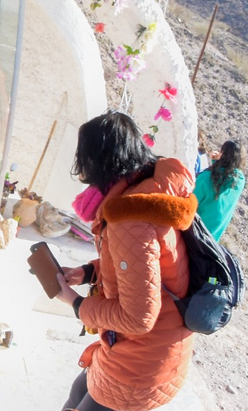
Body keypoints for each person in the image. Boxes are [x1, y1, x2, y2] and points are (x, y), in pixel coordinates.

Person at [55, 112, 197, 411]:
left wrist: (76, 304)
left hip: (141, 366)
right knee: (78, 390)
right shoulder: (149, 191)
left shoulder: (130, 219)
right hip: (153, 349)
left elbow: (139, 317)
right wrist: (88, 272)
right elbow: (141, 264)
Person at [195, 140, 247, 241]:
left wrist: (216, 162)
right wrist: (216, 162)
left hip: (195, 233)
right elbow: (225, 173)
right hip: (213, 239)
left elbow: (189, 201)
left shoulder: (206, 179)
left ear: (222, 154)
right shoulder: (239, 181)